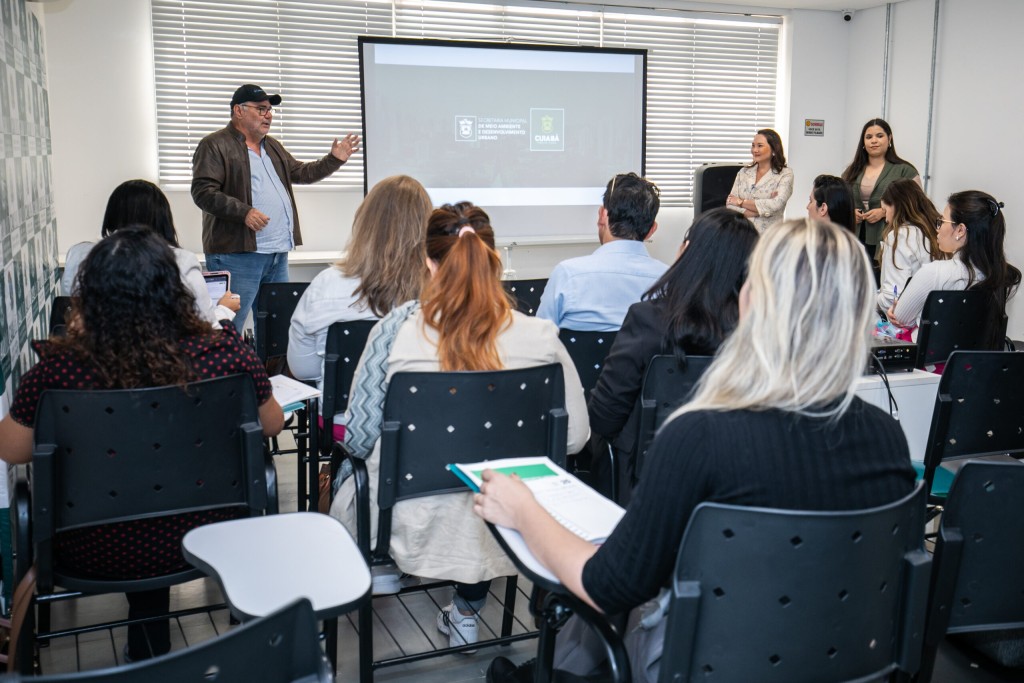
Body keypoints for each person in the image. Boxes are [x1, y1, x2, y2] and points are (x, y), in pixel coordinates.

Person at [477, 218, 915, 683]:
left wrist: (524, 510)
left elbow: (607, 587)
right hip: (843, 661)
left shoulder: (699, 436)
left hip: (707, 663)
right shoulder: (887, 439)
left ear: (751, 302)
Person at [0, 228, 284, 662]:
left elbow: (12, 450)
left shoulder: (57, 373)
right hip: (211, 532)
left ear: (90, 296)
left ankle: (144, 651)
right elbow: (273, 424)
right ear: (175, 290)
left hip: (90, 545)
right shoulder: (228, 356)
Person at [330, 202, 588, 650]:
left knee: (349, 476)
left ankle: (381, 576)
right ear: (494, 259)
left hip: (407, 522)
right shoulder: (541, 337)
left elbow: (360, 436)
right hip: (507, 521)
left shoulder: (394, 332)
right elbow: (575, 437)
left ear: (428, 263)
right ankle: (468, 609)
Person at [587, 208, 758, 499]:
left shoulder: (647, 319)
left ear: (686, 252)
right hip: (732, 484)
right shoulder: (761, 333)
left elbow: (604, 417)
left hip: (644, 484)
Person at [191, 83, 360, 332]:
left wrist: (333, 160)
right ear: (238, 110)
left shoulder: (271, 146)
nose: (268, 115)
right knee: (229, 325)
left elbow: (301, 172)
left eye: (270, 110)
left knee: (276, 328)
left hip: (276, 254)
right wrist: (244, 212)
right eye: (261, 109)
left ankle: (265, 361)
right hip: (237, 255)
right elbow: (203, 192)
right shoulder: (215, 145)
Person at [288, 175, 431, 439]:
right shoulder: (445, 289)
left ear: (364, 223)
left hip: (346, 423)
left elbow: (303, 369)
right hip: (426, 425)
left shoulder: (326, 284)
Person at [61, 179, 241, 327]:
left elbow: (71, 313)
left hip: (95, 353)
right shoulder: (180, 261)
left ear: (112, 215)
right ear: (163, 218)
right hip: (160, 355)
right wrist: (224, 310)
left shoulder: (79, 255)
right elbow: (206, 327)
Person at [888, 190, 1020, 347]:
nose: (937, 228)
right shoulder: (1002, 278)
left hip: (929, 361)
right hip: (978, 361)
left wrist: (896, 311)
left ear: (960, 230)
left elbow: (900, 318)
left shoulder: (933, 272)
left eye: (942, 221)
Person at [536, 173, 666, 331]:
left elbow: (541, 335)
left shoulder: (568, 275)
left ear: (602, 215)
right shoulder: (670, 281)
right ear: (652, 229)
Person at [841, 118, 920, 259]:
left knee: (880, 272)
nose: (874, 141)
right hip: (854, 237)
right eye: (869, 137)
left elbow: (917, 205)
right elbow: (839, 200)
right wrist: (849, 212)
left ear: (889, 138)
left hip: (889, 237)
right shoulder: (851, 171)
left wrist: (884, 212)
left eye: (879, 136)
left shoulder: (905, 171)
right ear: (863, 142)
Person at [875, 178, 942, 312]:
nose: (886, 219)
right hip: (933, 314)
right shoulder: (936, 232)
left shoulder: (899, 236)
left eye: (885, 210)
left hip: (905, 319)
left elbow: (892, 298)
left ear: (895, 206)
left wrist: (867, 301)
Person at [726, 128, 794, 233]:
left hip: (769, 236)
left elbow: (776, 204)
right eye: (753, 145)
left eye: (760, 146)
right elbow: (730, 204)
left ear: (774, 149)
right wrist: (759, 211)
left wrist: (740, 202)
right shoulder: (743, 172)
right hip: (742, 233)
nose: (755, 150)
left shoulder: (785, 174)